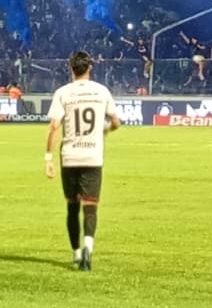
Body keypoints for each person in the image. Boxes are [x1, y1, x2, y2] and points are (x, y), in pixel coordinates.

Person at [46, 50, 121, 272]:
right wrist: (104, 131)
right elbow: (116, 122)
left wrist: (48, 158)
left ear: (70, 69)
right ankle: (89, 246)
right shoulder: (101, 91)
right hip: (93, 156)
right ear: (90, 68)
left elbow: (54, 127)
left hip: (69, 156)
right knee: (91, 206)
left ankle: (76, 253)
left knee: (72, 206)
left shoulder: (62, 93)